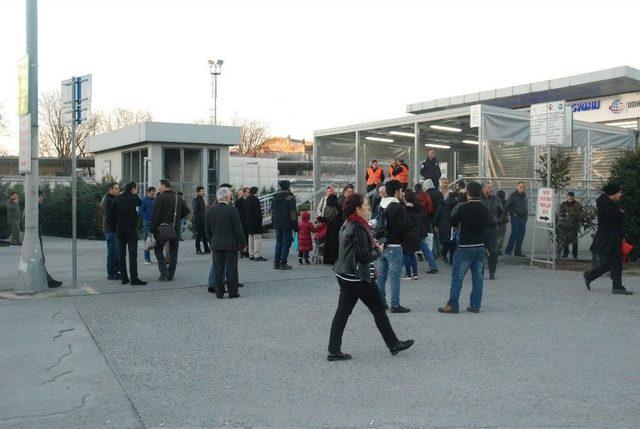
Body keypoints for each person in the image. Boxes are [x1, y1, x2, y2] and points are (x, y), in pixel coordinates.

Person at [328, 192, 415, 361]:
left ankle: (333, 350)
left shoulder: (348, 223)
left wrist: (371, 243)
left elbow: (355, 250)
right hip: (357, 277)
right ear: (358, 209)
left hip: (345, 274)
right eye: (366, 205)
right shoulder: (358, 226)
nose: (368, 208)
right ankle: (393, 343)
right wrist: (379, 249)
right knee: (378, 310)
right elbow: (365, 256)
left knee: (343, 313)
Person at [438, 181, 489, 314]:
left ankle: (453, 304)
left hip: (465, 245)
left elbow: (453, 221)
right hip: (480, 246)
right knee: (478, 278)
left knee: (457, 277)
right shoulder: (484, 208)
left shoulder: (463, 207)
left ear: (468, 193)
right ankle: (475, 305)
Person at [583, 184, 633, 295]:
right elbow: (616, 219)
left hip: (613, 238)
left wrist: (622, 236)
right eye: (619, 192)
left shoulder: (610, 204)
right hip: (609, 239)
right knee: (616, 262)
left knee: (611, 263)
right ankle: (617, 286)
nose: (621, 194)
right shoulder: (606, 205)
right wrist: (621, 213)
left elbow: (618, 221)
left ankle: (590, 276)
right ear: (612, 193)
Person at [204, 186, 247, 299]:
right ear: (227, 197)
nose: (230, 198)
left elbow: (207, 230)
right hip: (230, 244)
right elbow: (238, 228)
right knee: (232, 268)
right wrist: (243, 244)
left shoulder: (209, 211)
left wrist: (211, 241)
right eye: (230, 196)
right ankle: (233, 292)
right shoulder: (232, 210)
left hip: (216, 244)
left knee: (218, 268)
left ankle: (219, 292)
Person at [376, 180, 410, 313]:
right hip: (395, 245)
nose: (402, 193)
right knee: (395, 277)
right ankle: (395, 305)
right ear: (396, 191)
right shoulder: (397, 207)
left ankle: (380, 302)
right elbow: (402, 228)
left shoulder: (381, 205)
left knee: (381, 277)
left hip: (381, 244)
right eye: (401, 191)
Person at [150, 179, 191, 281]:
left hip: (161, 229)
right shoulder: (177, 197)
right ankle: (171, 274)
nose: (159, 188)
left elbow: (156, 215)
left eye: (159, 186)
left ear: (164, 186)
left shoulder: (160, 197)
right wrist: (177, 220)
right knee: (174, 251)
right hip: (174, 229)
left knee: (158, 250)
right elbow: (187, 212)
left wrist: (151, 230)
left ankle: (164, 272)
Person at [108, 182, 147, 286]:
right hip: (131, 230)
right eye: (136, 188)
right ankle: (134, 278)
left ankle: (124, 278)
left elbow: (110, 216)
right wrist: (134, 194)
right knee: (132, 254)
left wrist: (114, 228)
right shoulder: (134, 197)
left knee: (121, 254)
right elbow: (140, 204)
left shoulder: (117, 198)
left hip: (119, 230)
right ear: (133, 189)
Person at [271, 180, 298, 270]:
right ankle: (283, 262)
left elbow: (272, 212)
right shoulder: (290, 198)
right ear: (288, 187)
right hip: (287, 224)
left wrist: (274, 222)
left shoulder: (274, 197)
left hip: (277, 223)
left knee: (278, 243)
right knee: (286, 243)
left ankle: (276, 263)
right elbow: (293, 213)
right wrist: (295, 226)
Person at [37, 193, 62, 288]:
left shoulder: (37, 208)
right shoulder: (33, 209)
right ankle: (47, 280)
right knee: (40, 259)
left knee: (40, 259)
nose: (41, 198)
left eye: (41, 195)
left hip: (37, 238)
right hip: (35, 239)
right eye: (39, 196)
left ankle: (47, 279)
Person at [414, 183, 439, 274]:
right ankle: (433, 264)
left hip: (415, 227)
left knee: (408, 249)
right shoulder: (425, 195)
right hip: (424, 223)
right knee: (426, 245)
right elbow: (430, 207)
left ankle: (407, 270)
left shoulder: (413, 198)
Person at [480, 182, 502, 280]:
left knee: (494, 252)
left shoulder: (496, 199)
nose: (491, 189)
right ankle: (479, 272)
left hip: (493, 229)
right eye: (489, 187)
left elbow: (501, 211)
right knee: (480, 252)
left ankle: (492, 271)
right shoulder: (478, 199)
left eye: (492, 187)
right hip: (481, 229)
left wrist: (497, 220)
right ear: (484, 189)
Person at [100, 182, 120, 280]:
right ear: (110, 189)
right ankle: (111, 273)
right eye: (116, 189)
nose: (118, 190)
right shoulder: (107, 200)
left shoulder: (113, 198)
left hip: (114, 229)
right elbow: (109, 217)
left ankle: (115, 271)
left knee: (116, 252)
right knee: (112, 252)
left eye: (118, 188)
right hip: (110, 229)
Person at [402, 189, 422, 280]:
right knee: (412, 254)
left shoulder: (404, 210)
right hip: (415, 234)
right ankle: (415, 273)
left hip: (406, 235)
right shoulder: (417, 209)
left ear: (405, 199)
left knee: (406, 254)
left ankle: (408, 273)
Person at [505, 182, 528, 257]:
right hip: (516, 218)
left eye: (524, 187)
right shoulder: (513, 195)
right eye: (521, 187)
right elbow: (507, 206)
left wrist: (526, 215)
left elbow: (525, 206)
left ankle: (518, 251)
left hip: (523, 218)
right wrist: (513, 214)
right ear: (517, 187)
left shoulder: (524, 195)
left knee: (521, 235)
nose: (522, 189)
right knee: (514, 234)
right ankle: (508, 250)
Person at [319, 194, 342, 265]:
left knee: (329, 243)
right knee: (335, 244)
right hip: (337, 227)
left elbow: (327, 218)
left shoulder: (328, 207)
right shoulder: (338, 207)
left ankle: (328, 259)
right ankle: (335, 259)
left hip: (330, 228)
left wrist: (322, 219)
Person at [437, 190, 459, 264]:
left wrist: (435, 223)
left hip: (443, 224)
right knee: (453, 242)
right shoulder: (456, 204)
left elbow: (438, 215)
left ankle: (444, 253)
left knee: (447, 241)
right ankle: (451, 258)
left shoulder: (443, 203)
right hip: (452, 225)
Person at [245, 186, 266, 261]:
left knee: (250, 238)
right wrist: (260, 220)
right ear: (256, 192)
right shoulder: (256, 200)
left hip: (248, 222)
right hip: (255, 222)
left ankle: (251, 254)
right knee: (257, 238)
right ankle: (257, 255)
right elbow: (258, 213)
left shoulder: (247, 200)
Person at [559, 191, 582, 259]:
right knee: (565, 239)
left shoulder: (578, 204)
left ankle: (575, 254)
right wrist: (565, 214)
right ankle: (566, 253)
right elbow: (560, 213)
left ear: (573, 197)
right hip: (565, 225)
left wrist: (575, 216)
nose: (570, 200)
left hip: (574, 224)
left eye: (571, 199)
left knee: (574, 240)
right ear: (567, 197)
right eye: (569, 199)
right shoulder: (563, 204)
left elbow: (581, 213)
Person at [139, 186, 156, 264]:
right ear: (148, 193)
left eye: (154, 194)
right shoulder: (144, 200)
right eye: (152, 194)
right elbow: (140, 211)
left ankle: (157, 257)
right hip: (147, 224)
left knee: (157, 240)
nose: (153, 196)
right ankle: (146, 259)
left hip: (155, 223)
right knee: (147, 241)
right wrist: (148, 218)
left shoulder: (155, 200)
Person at [192, 186, 210, 255]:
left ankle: (206, 249)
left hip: (203, 220)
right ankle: (198, 249)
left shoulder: (201, 199)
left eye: (203, 191)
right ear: (198, 192)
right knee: (198, 236)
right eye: (202, 191)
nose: (204, 193)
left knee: (204, 235)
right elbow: (195, 211)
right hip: (199, 221)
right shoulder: (196, 200)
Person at [235, 187, 250, 258]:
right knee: (242, 237)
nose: (249, 193)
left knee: (247, 237)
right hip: (241, 221)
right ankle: (242, 251)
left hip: (247, 221)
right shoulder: (238, 201)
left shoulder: (248, 200)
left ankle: (247, 252)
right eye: (248, 192)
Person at [496, 189, 509, 255]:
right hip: (503, 220)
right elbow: (507, 211)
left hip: (496, 220)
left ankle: (495, 248)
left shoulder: (495, 201)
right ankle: (498, 249)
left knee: (496, 235)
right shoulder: (505, 202)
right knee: (502, 235)